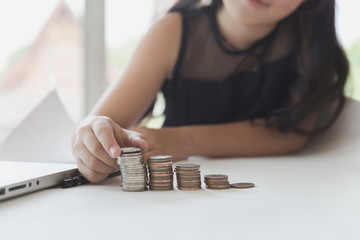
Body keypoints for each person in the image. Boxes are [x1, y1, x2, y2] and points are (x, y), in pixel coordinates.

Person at [72, 0, 349, 183]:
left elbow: (293, 133)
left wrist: (183, 141)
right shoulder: (172, 31)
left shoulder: (309, 40)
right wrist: (91, 138)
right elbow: (100, 122)